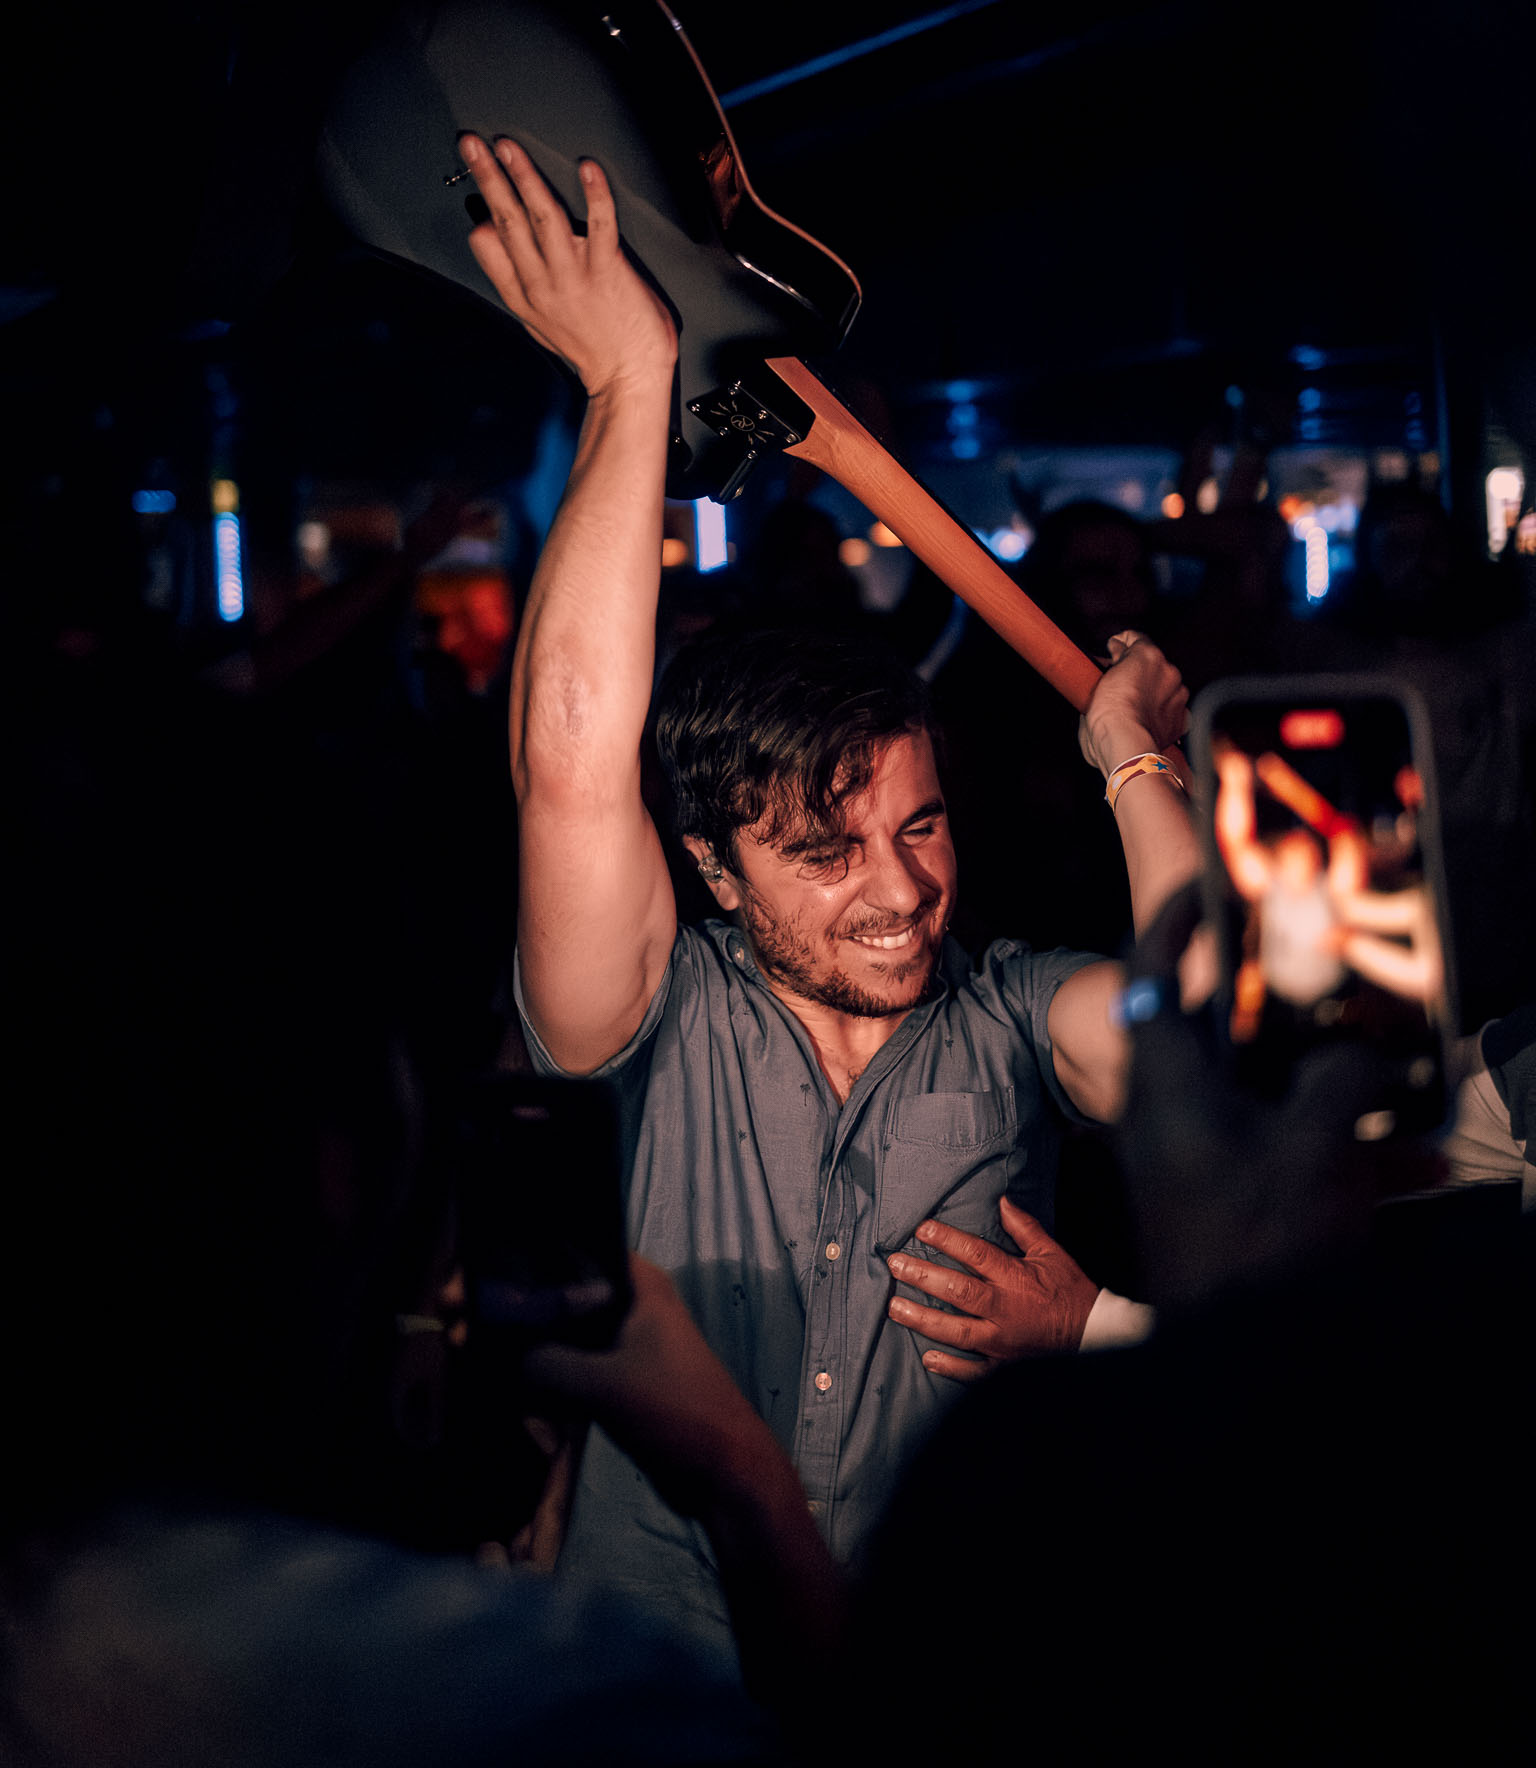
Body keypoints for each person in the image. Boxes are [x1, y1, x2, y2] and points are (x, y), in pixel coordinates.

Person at [454, 132, 1200, 1662]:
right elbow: (571, 767)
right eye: (825, 851)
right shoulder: (651, 1018)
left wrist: (1137, 765)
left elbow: (1216, 1055)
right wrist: (628, 386)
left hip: (949, 1678)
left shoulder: (1012, 1011)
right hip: (649, 1686)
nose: (900, 891)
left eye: (921, 826)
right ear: (714, 870)